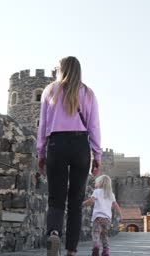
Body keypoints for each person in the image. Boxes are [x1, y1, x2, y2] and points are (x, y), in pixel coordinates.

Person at [37, 56, 102, 256]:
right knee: (76, 199)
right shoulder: (89, 93)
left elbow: (43, 125)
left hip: (57, 144)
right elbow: (94, 126)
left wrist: (41, 152)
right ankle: (72, 250)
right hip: (80, 145)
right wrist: (97, 155)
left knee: (56, 197)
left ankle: (54, 233)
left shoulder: (50, 91)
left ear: (61, 69)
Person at [82, 175, 123, 256]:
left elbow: (91, 201)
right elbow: (116, 205)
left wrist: (82, 204)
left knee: (96, 233)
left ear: (100, 183)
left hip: (97, 217)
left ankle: (96, 246)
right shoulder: (111, 194)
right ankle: (106, 251)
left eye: (97, 182)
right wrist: (121, 215)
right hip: (107, 219)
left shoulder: (97, 191)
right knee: (104, 234)